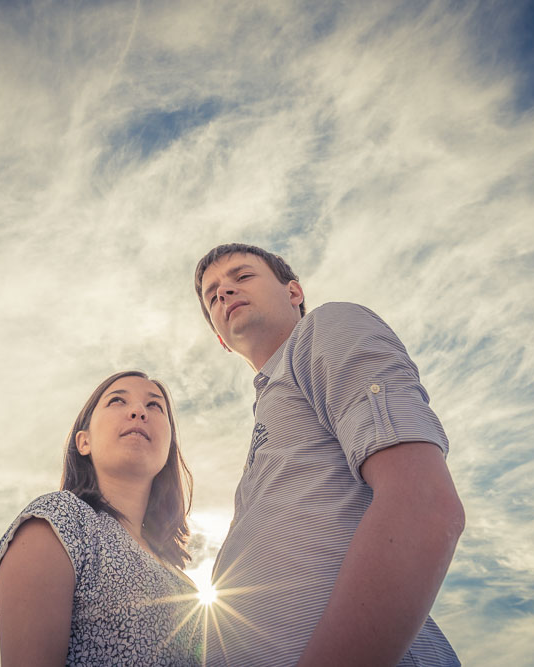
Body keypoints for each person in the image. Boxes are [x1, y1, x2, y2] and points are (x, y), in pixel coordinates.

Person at [194, 243, 465, 666]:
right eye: (212, 296)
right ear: (221, 341)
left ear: (294, 292)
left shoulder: (325, 329)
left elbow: (424, 502)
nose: (224, 293)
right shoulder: (269, 415)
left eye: (242, 277)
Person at [0, 370, 202, 666]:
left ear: (168, 448)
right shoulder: (58, 522)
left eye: (154, 406)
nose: (139, 411)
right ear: (84, 441)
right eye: (117, 400)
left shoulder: (188, 589)